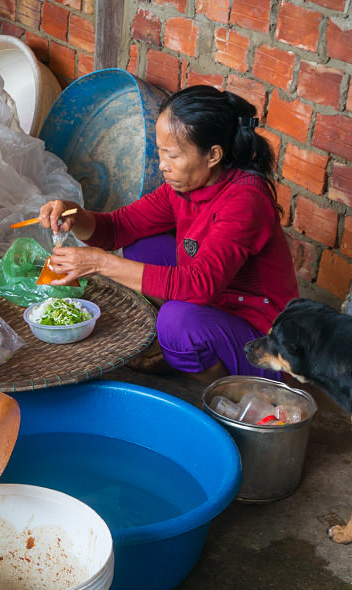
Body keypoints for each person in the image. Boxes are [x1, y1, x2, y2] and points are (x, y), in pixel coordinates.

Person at [37, 85, 298, 381]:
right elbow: (118, 228)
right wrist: (74, 213)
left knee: (174, 322)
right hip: (220, 301)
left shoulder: (245, 200)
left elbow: (200, 285)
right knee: (141, 246)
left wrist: (99, 263)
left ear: (212, 155)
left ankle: (228, 390)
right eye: (161, 152)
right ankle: (189, 350)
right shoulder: (186, 186)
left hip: (266, 340)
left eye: (173, 156)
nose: (162, 165)